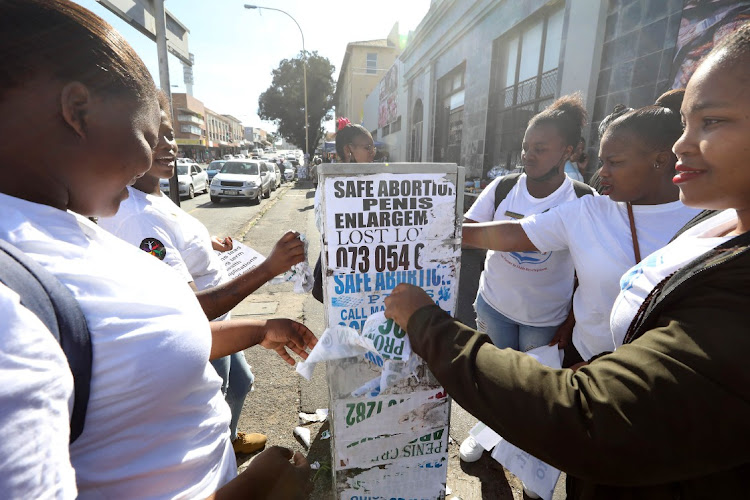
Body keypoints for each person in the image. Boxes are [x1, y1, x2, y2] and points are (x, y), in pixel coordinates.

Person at [383, 23, 750, 498]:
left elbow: (587, 416)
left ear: (657, 161)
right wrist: (425, 234)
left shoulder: (712, 234)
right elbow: (509, 234)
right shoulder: (700, 223)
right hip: (580, 361)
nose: (685, 143)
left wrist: (427, 324)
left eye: (711, 122)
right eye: (686, 124)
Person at [0, 1, 314, 497]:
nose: (156, 153)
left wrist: (257, 329)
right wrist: (253, 491)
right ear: (77, 111)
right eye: (149, 135)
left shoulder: (68, 222)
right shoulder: (10, 305)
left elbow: (135, 349)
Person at [98, 97, 306, 454]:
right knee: (217, 398)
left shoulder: (153, 196)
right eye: (153, 137)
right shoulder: (135, 216)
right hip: (201, 333)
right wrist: (269, 268)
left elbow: (167, 239)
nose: (168, 146)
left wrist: (205, 244)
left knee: (240, 383)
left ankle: (228, 437)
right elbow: (191, 309)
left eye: (169, 134)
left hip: (218, 324)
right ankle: (219, 456)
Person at [458, 95, 593, 467]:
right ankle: (486, 435)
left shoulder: (583, 199)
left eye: (539, 148)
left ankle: (531, 460)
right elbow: (467, 230)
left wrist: (570, 320)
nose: (527, 155)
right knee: (492, 380)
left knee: (535, 392)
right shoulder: (503, 187)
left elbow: (589, 271)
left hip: (546, 319)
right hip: (495, 306)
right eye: (524, 147)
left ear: (568, 150)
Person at [311, 117, 376, 303]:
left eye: (373, 148)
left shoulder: (373, 178)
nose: (373, 153)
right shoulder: (329, 183)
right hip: (341, 272)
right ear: (349, 149)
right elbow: (322, 224)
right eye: (367, 148)